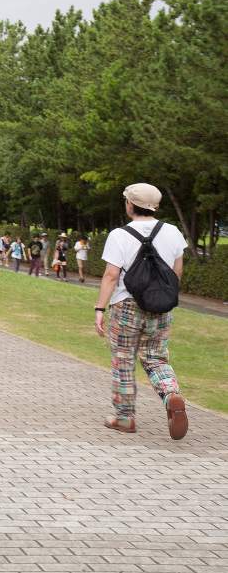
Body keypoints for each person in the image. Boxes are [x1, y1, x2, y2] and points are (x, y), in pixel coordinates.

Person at [93, 183, 188, 439]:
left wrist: (100, 308)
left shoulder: (119, 235)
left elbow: (111, 275)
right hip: (161, 306)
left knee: (123, 360)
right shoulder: (173, 232)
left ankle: (124, 418)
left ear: (130, 205)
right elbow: (177, 271)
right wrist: (163, 297)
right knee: (156, 358)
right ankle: (171, 394)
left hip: (126, 306)